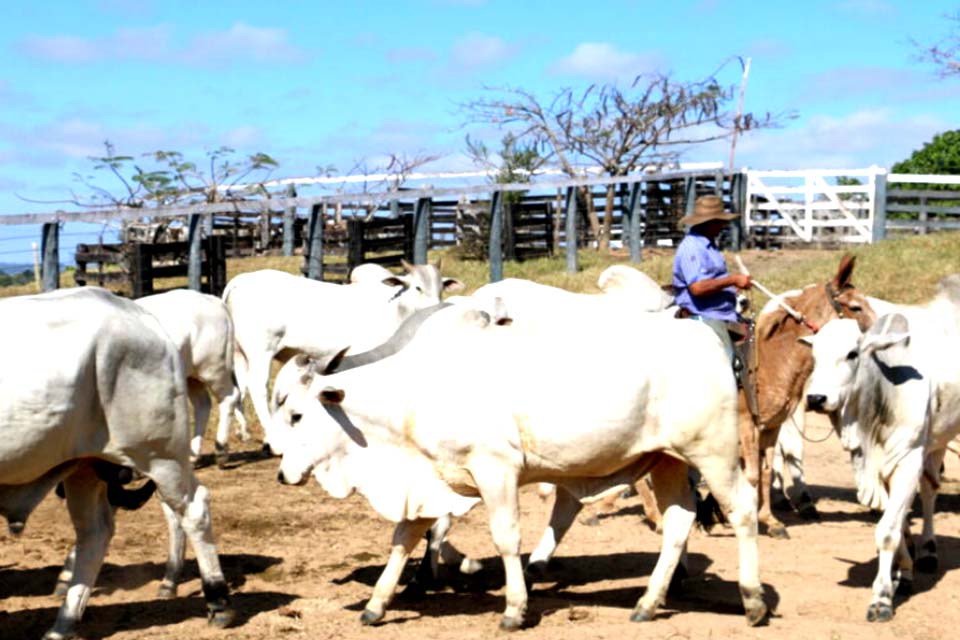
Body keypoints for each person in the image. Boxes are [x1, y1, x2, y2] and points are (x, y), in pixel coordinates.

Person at [672, 194, 752, 362]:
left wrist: (730, 288)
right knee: (726, 362)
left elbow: (712, 280)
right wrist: (732, 280)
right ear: (709, 223)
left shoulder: (708, 245)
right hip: (705, 317)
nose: (723, 226)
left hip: (722, 314)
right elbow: (698, 288)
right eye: (720, 222)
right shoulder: (692, 247)